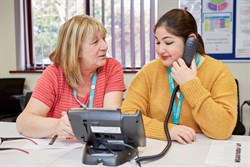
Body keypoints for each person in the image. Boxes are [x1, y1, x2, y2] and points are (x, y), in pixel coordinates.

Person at [121, 9, 237, 144]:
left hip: (200, 151)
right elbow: (127, 116)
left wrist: (190, 84)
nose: (160, 50)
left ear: (190, 41)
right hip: (159, 149)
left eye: (168, 42)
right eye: (158, 42)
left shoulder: (218, 72)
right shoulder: (149, 71)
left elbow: (223, 129)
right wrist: (167, 131)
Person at [16, 15, 126, 141]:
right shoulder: (54, 73)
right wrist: (57, 126)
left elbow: (110, 121)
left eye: (104, 39)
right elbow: (23, 122)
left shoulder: (112, 67)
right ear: (76, 50)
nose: (105, 46)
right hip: (59, 152)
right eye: (95, 42)